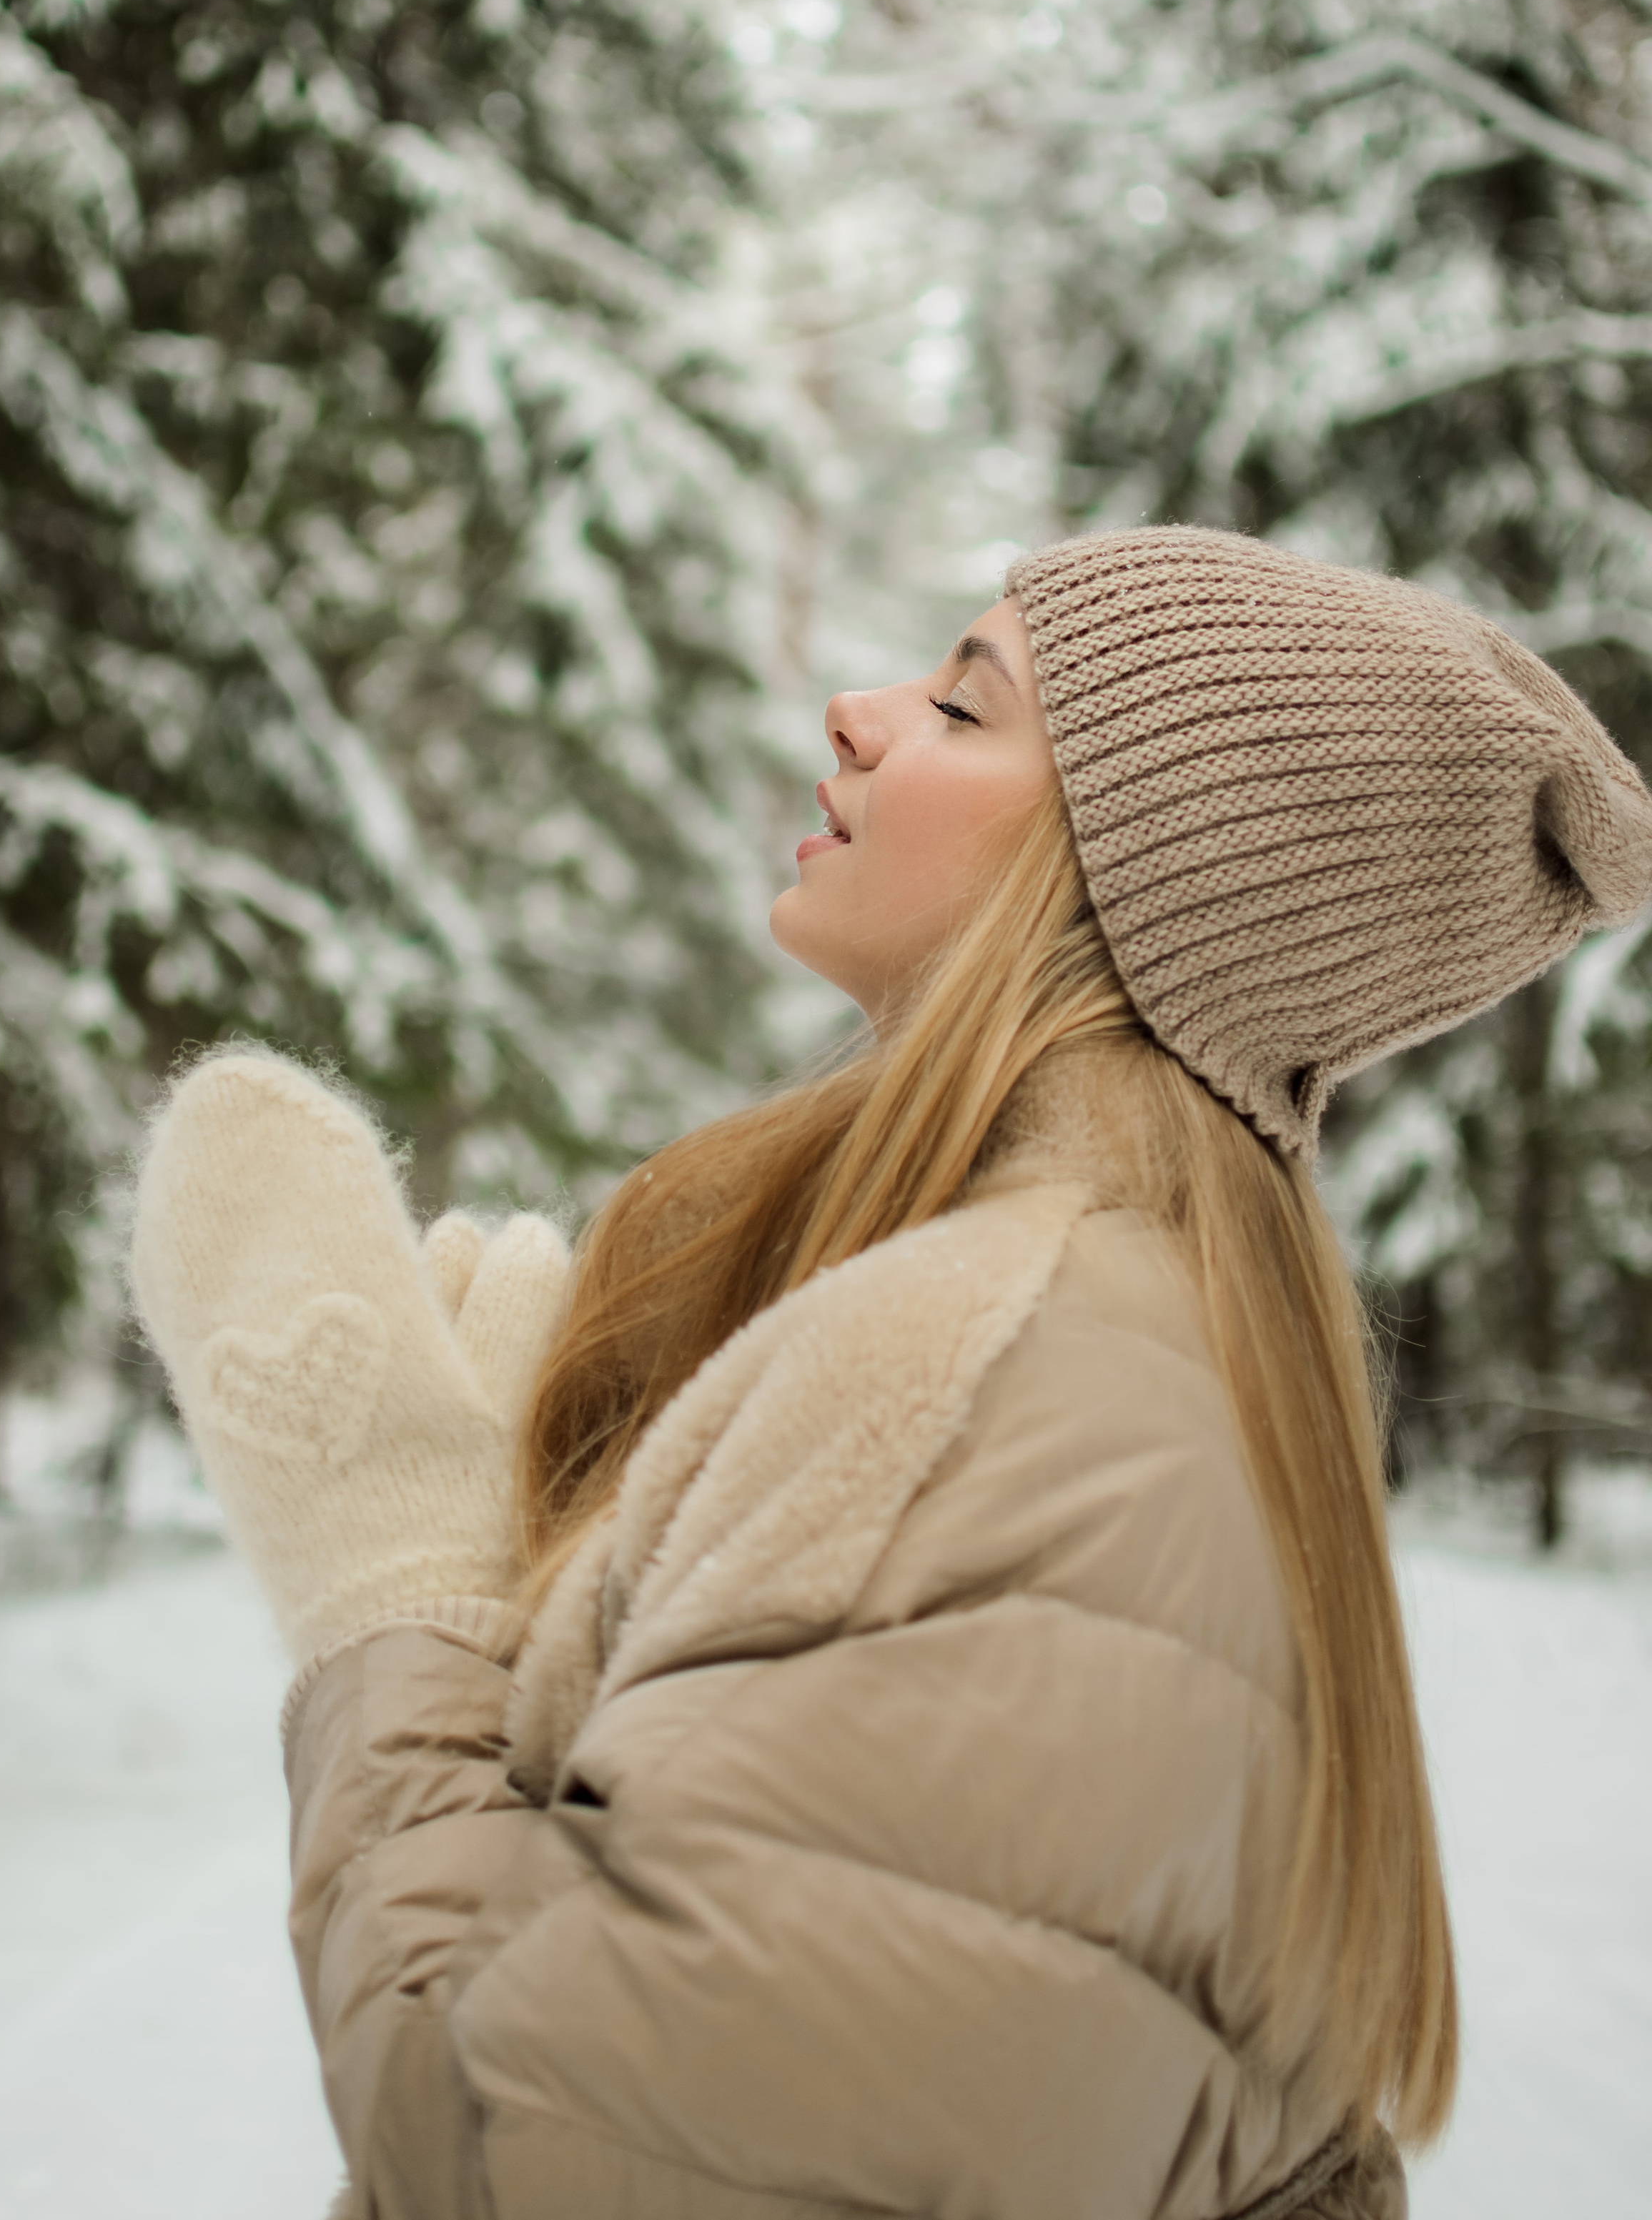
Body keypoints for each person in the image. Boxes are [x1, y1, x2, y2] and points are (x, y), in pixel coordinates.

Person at [132, 525, 1652, 2220]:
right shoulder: (1110, 1337)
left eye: (960, 705)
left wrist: (395, 1596)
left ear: (1119, 889)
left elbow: (545, 2163)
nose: (855, 712)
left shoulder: (994, 1384)